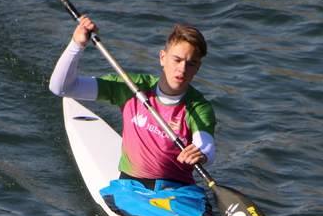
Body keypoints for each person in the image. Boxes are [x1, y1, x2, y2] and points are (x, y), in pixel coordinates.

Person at [49, 16, 216, 191]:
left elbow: (206, 144)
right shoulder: (131, 87)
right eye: (177, 60)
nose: (182, 69)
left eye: (191, 64)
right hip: (131, 186)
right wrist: (77, 44)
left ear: (198, 68)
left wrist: (201, 154)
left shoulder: (198, 106)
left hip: (178, 190)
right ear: (162, 57)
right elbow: (62, 88)